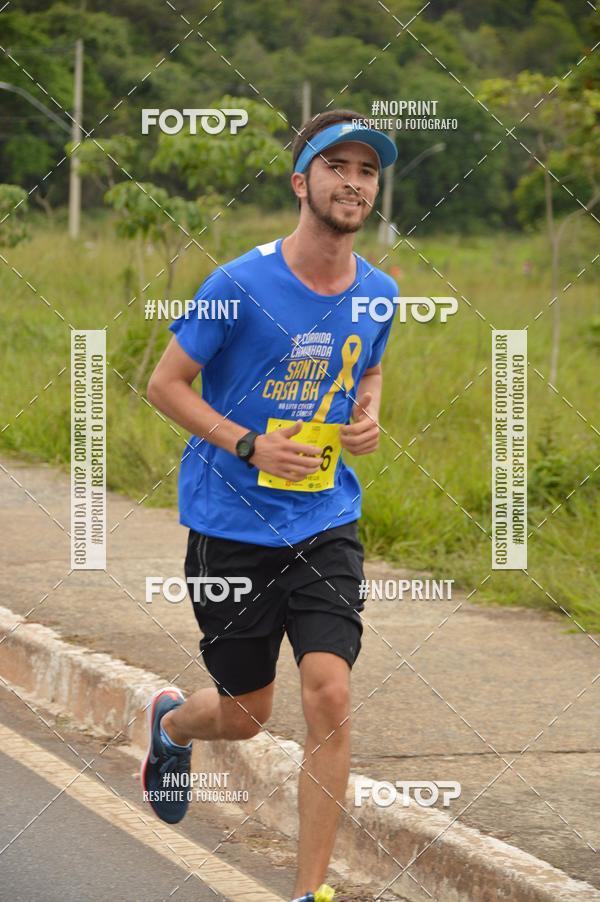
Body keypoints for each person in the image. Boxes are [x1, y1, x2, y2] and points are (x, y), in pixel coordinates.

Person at [142, 108, 398, 902]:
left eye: (367, 171)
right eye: (337, 166)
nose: (353, 182)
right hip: (230, 526)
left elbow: (369, 370)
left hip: (324, 519)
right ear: (303, 181)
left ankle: (310, 893)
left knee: (330, 690)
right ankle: (174, 724)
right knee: (248, 717)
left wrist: (365, 416)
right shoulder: (238, 285)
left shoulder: (380, 293)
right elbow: (165, 385)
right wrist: (248, 443)